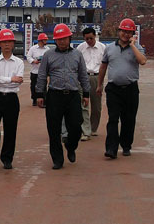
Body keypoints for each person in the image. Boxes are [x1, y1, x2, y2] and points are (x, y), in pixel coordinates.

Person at [37, 24, 89, 169]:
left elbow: (83, 75)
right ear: (55, 40)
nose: (62, 41)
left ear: (69, 38)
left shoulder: (77, 54)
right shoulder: (48, 55)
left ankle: (71, 147)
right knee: (53, 129)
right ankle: (57, 159)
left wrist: (86, 93)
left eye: (64, 38)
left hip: (73, 95)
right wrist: (39, 94)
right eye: (59, 39)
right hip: (55, 95)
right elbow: (42, 75)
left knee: (76, 126)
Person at [97, 18, 146, 159]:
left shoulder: (137, 48)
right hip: (113, 89)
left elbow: (142, 61)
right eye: (123, 31)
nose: (126, 34)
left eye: (129, 32)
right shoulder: (109, 48)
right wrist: (99, 85)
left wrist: (133, 46)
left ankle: (126, 145)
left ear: (133, 34)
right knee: (113, 118)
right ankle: (111, 148)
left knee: (128, 119)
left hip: (131, 89)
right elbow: (103, 67)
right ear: (119, 31)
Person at [0, 29, 24, 173]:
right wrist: (10, 79)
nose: (7, 44)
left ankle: (7, 159)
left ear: (13, 44)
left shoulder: (19, 62)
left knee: (10, 130)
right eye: (4, 42)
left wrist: (2, 80)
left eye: (9, 42)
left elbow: (18, 82)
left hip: (12, 99)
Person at [76, 27, 105, 140]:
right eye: (86, 39)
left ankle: (93, 128)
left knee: (96, 106)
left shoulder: (102, 48)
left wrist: (101, 82)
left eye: (91, 38)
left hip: (97, 77)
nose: (89, 41)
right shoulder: (80, 48)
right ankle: (85, 130)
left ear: (95, 36)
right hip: (83, 77)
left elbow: (105, 64)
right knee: (84, 104)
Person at [26, 33, 49, 106]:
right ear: (41, 40)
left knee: (44, 86)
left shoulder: (47, 49)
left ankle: (44, 100)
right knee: (33, 86)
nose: (46, 41)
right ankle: (34, 99)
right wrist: (33, 61)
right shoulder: (33, 48)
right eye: (45, 40)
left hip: (43, 72)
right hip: (34, 71)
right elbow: (28, 57)